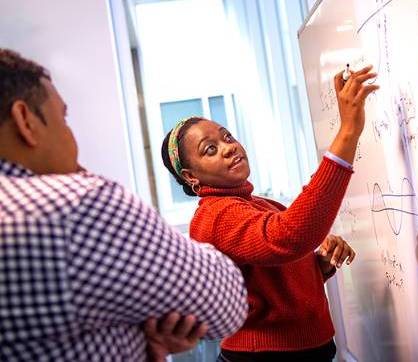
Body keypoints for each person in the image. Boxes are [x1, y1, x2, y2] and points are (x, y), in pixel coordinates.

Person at [0, 48, 248, 361]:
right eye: (62, 118)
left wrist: (144, 344)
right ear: (26, 120)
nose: (228, 149)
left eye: (226, 136)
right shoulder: (72, 207)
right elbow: (227, 304)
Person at [160, 65, 379, 362]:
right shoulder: (216, 216)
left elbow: (278, 271)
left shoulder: (258, 204)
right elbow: (290, 237)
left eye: (227, 137)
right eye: (210, 149)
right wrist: (348, 131)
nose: (228, 148)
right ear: (191, 177)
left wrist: (319, 265)